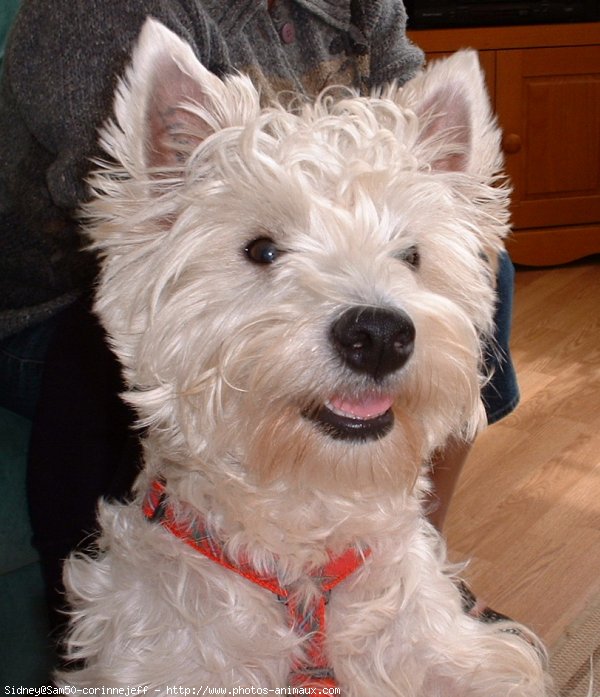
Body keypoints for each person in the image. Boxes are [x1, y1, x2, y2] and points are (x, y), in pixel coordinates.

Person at [0, 0, 518, 642]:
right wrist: (273, 208)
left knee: (477, 271)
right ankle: (88, 594)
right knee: (111, 329)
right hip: (46, 306)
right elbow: (144, 216)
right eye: (267, 251)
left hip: (302, 211)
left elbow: (400, 107)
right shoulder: (99, 15)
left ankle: (410, 550)